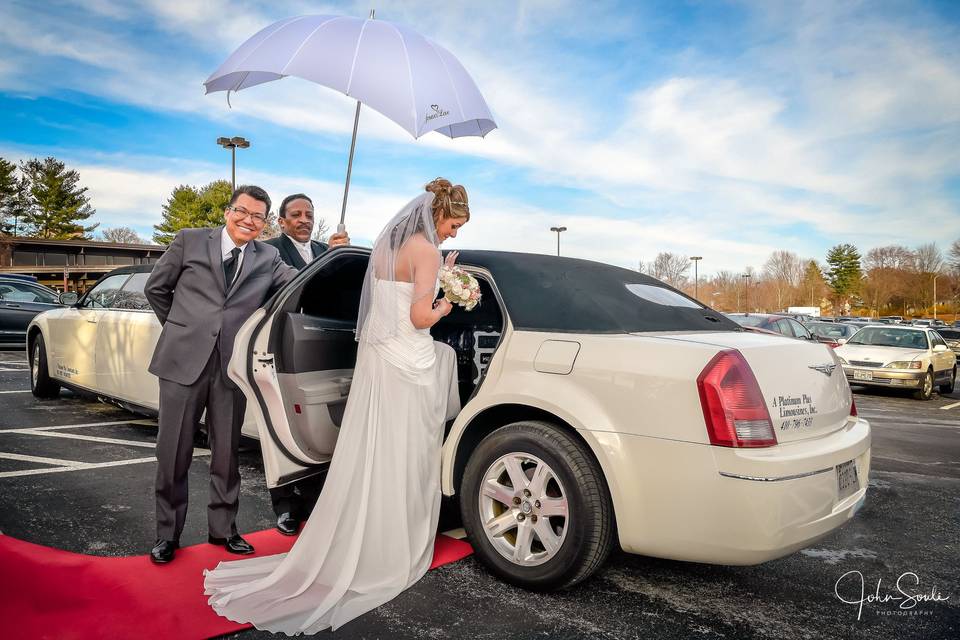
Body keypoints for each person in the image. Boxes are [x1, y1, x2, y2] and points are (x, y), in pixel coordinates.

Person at [203, 178, 469, 633]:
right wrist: (448, 302)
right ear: (436, 214)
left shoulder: (389, 247)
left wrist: (440, 273)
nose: (453, 232)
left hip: (380, 360)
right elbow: (419, 317)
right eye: (453, 223)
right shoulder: (425, 250)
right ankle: (392, 543)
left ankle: (367, 534)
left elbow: (386, 302)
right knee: (405, 450)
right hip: (408, 362)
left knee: (375, 450)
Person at [145, 185, 297, 564]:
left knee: (227, 455)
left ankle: (224, 530)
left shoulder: (269, 256)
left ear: (264, 224)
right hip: (183, 362)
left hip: (232, 368)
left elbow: (298, 283)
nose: (249, 220)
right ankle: (167, 535)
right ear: (228, 212)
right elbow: (156, 289)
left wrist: (332, 253)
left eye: (258, 216)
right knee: (173, 452)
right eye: (243, 211)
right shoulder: (189, 241)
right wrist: (183, 328)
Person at [262, 193, 350, 535]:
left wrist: (336, 260)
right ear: (282, 222)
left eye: (309, 214)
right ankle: (285, 507)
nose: (304, 219)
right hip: (277, 351)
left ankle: (316, 503)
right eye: (296, 214)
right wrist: (325, 261)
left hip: (315, 350)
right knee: (279, 432)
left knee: (316, 431)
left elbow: (333, 297)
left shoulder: (323, 252)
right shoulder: (268, 251)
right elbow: (287, 292)